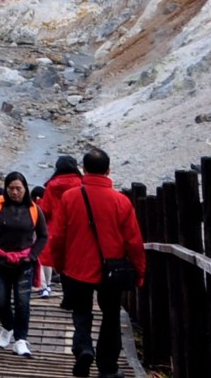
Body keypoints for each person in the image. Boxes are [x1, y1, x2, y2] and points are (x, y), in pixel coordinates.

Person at [43, 147, 145, 378]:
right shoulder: (121, 201)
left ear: (85, 169)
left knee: (81, 312)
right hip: (112, 269)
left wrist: (58, 264)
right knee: (111, 316)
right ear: (108, 170)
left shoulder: (70, 197)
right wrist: (139, 271)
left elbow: (58, 236)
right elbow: (133, 241)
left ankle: (83, 348)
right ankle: (108, 368)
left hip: (76, 267)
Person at [0, 172, 48, 356]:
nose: (15, 192)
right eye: (11, 188)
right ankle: (7, 326)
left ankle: (21, 340)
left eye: (19, 188)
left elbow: (43, 235)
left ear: (25, 189)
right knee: (1, 301)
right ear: (5, 189)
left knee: (22, 302)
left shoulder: (34, 209)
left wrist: (32, 256)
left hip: (23, 263)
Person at [40, 155, 83, 299]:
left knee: (61, 262)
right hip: (78, 228)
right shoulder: (81, 184)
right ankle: (76, 295)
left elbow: (45, 210)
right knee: (76, 261)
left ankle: (66, 295)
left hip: (56, 227)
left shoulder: (52, 186)